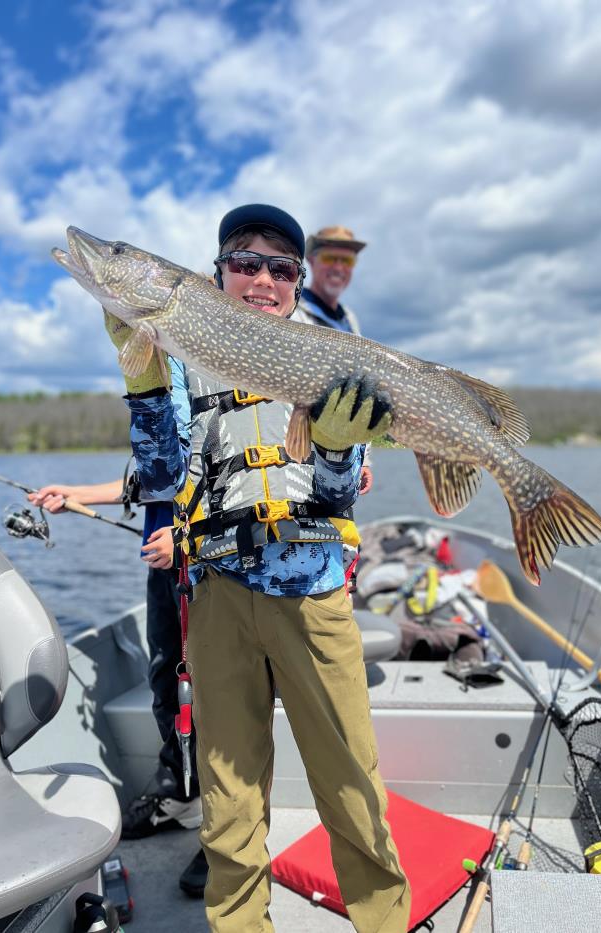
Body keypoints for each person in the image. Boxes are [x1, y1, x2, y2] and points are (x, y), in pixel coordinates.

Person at [107, 203, 411, 932]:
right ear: (217, 274)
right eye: (246, 263)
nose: (263, 280)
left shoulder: (334, 353)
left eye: (282, 268)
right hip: (217, 598)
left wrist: (336, 447)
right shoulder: (179, 346)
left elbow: (338, 496)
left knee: (353, 789)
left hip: (312, 595)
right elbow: (159, 474)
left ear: (299, 283)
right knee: (230, 797)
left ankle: (384, 921)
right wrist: (146, 382)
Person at [27, 424, 208, 899]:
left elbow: (229, 479)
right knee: (166, 681)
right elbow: (147, 481)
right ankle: (180, 795)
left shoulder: (212, 393)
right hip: (164, 572)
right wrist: (75, 493)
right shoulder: (161, 407)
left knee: (214, 699)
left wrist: (188, 536)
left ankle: (228, 833)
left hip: (210, 571)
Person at [298, 225, 378, 495]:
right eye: (331, 258)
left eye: (347, 260)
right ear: (311, 260)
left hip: (344, 465)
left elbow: (360, 395)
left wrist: (363, 459)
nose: (339, 268)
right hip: (304, 462)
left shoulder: (349, 319)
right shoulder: (295, 312)